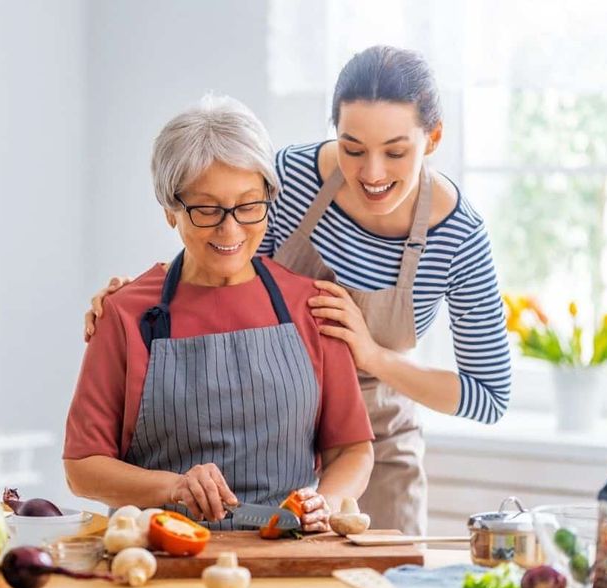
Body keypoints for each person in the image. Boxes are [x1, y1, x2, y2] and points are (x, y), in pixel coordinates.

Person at [84, 46, 512, 535]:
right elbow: (221, 245)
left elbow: (488, 395)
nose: (371, 173)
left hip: (377, 441)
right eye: (352, 148)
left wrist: (371, 356)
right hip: (277, 430)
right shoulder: (288, 180)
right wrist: (133, 298)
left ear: (432, 138)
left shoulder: (458, 236)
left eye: (395, 152)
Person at [63, 95, 375, 531]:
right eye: (207, 210)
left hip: (287, 556)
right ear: (171, 210)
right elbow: (83, 467)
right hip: (160, 559)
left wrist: (325, 501)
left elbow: (352, 449)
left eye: (248, 206)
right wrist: (172, 488)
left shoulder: (311, 305)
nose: (230, 230)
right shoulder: (124, 313)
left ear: (270, 197)